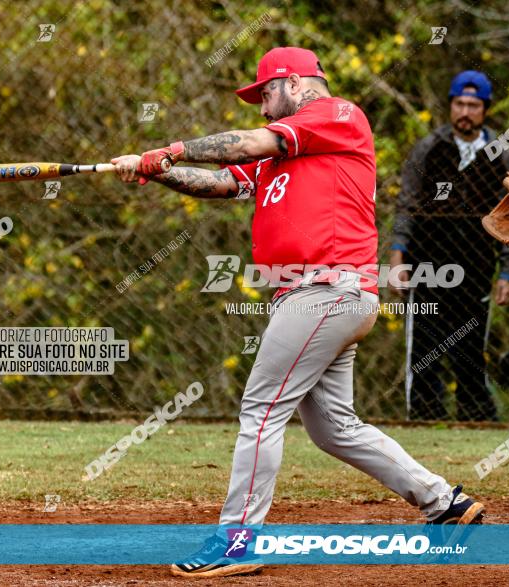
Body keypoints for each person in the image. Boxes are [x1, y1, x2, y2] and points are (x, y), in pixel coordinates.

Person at [111, 47, 484, 579]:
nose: (262, 107)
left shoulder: (338, 116)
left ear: (294, 83)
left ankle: (239, 541)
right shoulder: (278, 157)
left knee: (261, 410)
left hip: (327, 289)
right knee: (334, 428)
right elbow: (221, 182)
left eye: (265, 93)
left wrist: (168, 148)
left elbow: (252, 139)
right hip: (315, 297)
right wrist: (157, 170)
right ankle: (443, 502)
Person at [391, 70, 509, 421]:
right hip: (428, 267)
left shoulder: (500, 155)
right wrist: (398, 257)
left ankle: (476, 421)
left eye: (473, 105)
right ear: (450, 106)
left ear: (485, 109)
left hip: (477, 268)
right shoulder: (429, 148)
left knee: (470, 351)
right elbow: (407, 204)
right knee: (425, 349)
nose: (465, 111)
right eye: (459, 103)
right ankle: (423, 420)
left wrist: (508, 270)